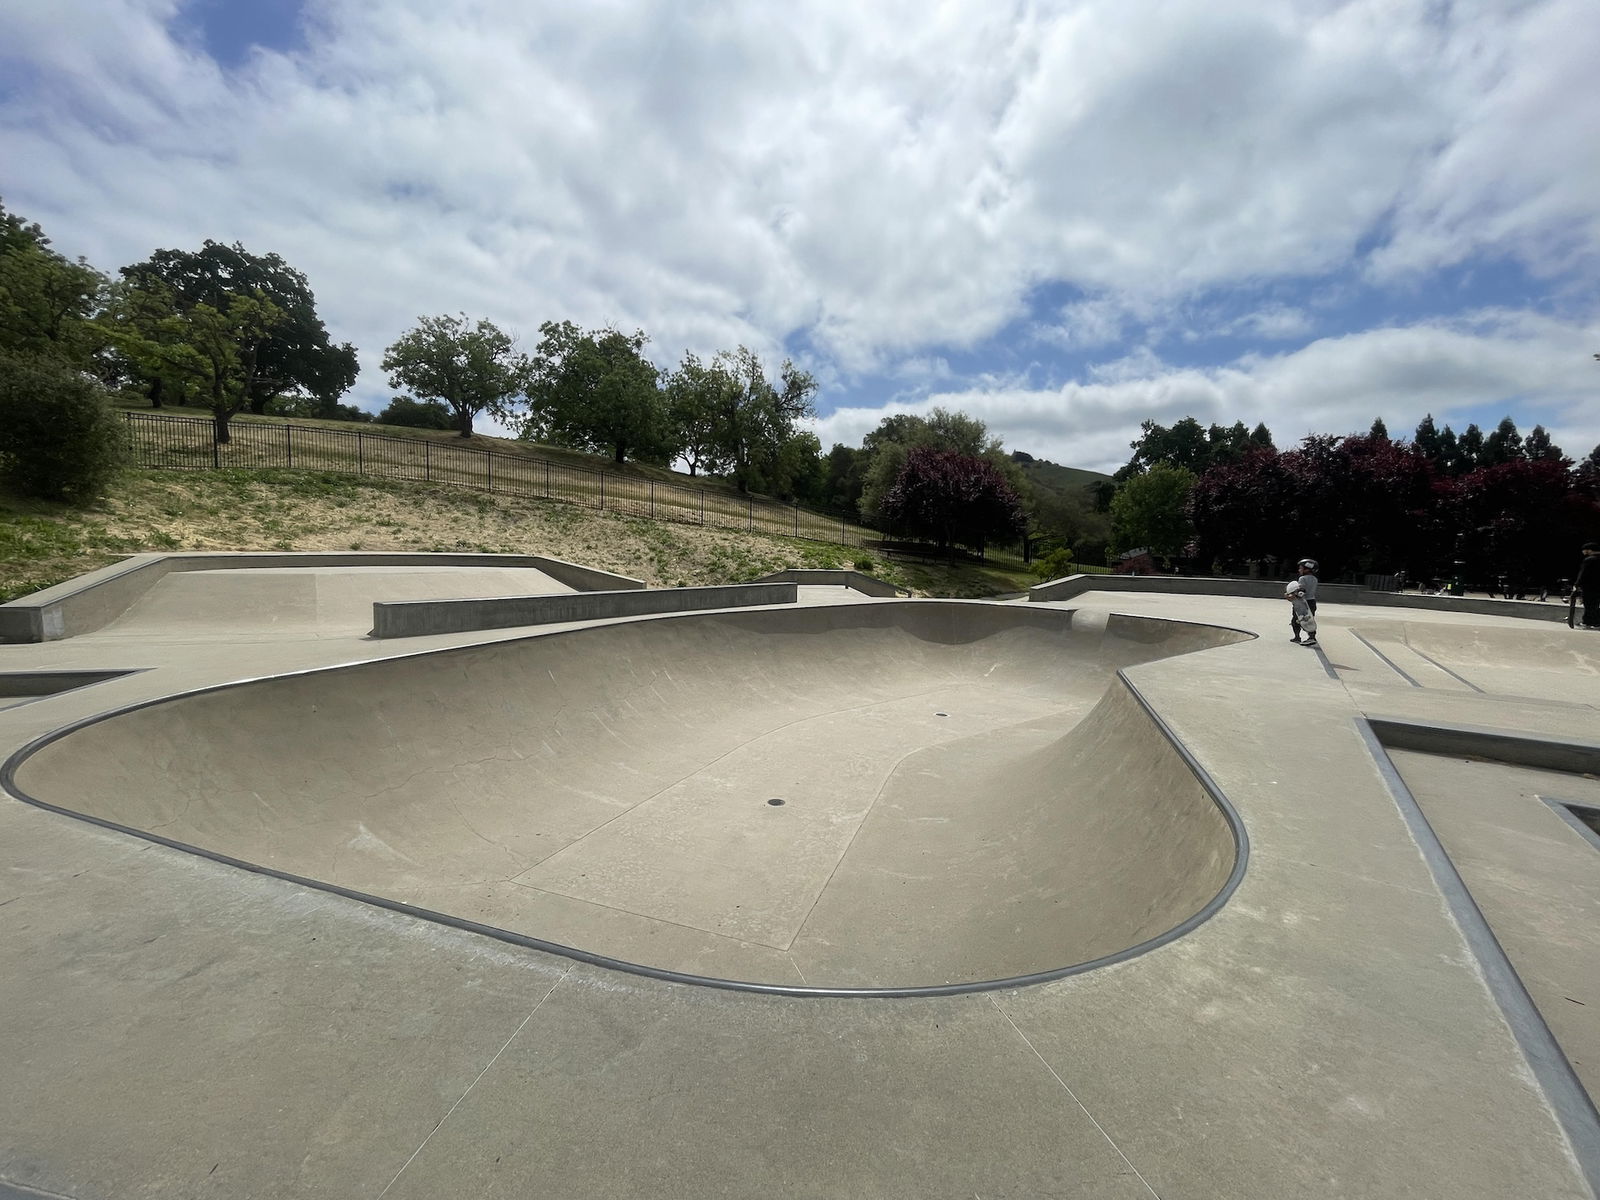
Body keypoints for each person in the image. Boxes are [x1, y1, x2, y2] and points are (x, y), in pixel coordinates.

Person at [1290, 557, 1319, 644]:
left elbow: (1301, 592)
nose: (1299, 570)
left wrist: (1291, 594)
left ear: (1307, 569)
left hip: (1302, 602)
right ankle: (1312, 636)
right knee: (1309, 620)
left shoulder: (1302, 578)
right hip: (1312, 601)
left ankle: (1297, 637)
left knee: (1296, 620)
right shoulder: (1315, 579)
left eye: (1301, 568)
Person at [1286, 581, 1318, 647]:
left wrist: (1294, 594)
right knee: (1295, 621)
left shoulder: (1302, 579)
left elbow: (1302, 591)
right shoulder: (1314, 579)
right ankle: (1297, 637)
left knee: (1307, 621)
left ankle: (1311, 638)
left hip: (1305, 605)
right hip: (1308, 603)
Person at [1577, 542, 1600, 630]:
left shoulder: (1589, 560)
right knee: (1596, 605)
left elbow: (1583, 574)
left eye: (1584, 550)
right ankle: (1596, 622)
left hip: (1590, 587)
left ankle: (1588, 622)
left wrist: (1577, 585)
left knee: (1589, 604)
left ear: (1589, 550)